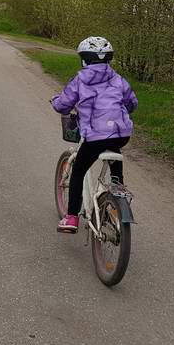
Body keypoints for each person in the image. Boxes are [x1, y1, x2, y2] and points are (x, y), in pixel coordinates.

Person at [50, 36, 138, 233]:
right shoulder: (118, 79)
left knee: (79, 170)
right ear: (109, 59)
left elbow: (63, 105)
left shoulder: (80, 79)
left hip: (95, 136)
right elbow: (132, 103)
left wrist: (55, 101)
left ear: (84, 59)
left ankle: (71, 217)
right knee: (115, 157)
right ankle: (118, 194)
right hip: (121, 134)